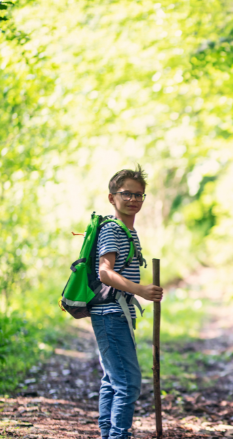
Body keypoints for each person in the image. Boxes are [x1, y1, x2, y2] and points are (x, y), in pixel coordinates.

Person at [91, 166, 164, 439]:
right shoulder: (112, 230)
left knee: (113, 381)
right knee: (129, 383)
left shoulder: (128, 231)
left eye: (139, 195)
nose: (133, 200)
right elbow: (105, 272)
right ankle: (117, 435)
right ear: (112, 198)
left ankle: (109, 434)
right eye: (126, 194)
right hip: (110, 313)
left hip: (117, 313)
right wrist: (140, 290)